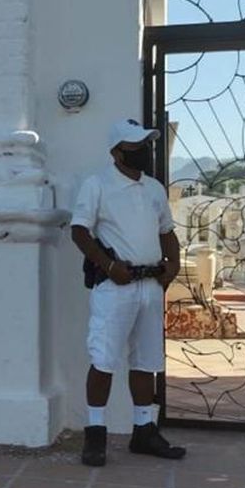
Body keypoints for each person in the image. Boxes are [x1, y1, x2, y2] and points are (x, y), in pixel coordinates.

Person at [71, 119, 186, 467]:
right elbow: (79, 231)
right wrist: (108, 266)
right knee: (103, 360)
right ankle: (95, 434)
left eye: (147, 145)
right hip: (115, 286)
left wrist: (174, 264)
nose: (145, 152)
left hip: (150, 285)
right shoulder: (97, 185)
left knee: (146, 361)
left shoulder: (154, 189)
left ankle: (144, 430)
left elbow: (166, 231)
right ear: (117, 152)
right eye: (137, 147)